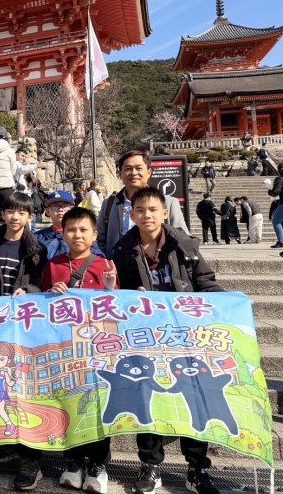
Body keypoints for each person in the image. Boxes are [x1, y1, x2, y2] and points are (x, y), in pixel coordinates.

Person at [111, 187, 223, 494]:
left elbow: (206, 283)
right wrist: (131, 298)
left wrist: (226, 304)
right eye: (140, 210)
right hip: (145, 339)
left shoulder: (185, 245)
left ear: (165, 212)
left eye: (153, 210)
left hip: (185, 337)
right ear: (132, 214)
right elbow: (115, 295)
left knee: (194, 401)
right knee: (148, 400)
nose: (147, 215)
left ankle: (197, 469)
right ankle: (151, 466)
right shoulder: (122, 250)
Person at [10, 206, 117, 493]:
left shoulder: (105, 264)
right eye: (71, 230)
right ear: (63, 232)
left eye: (84, 230)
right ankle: (74, 461)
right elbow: (43, 305)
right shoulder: (54, 264)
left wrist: (110, 289)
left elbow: (116, 309)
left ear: (95, 234)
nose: (77, 234)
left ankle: (98, 463)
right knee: (70, 401)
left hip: (96, 349)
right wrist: (47, 293)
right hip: (65, 347)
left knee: (96, 404)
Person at [96, 150, 189, 258]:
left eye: (139, 168)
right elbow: (99, 240)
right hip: (119, 269)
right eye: (128, 169)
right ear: (120, 173)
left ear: (149, 172)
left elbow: (183, 238)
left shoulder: (168, 202)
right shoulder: (109, 204)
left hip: (157, 268)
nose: (134, 173)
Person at [268, 163, 283, 248]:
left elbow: (275, 192)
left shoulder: (280, 179)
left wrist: (270, 191)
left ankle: (281, 241)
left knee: (276, 221)